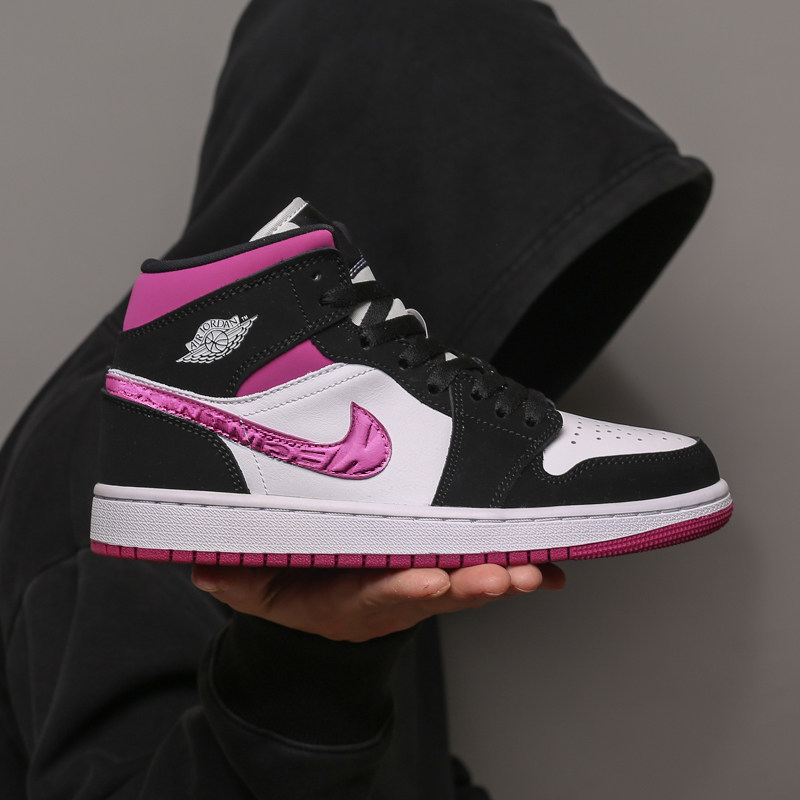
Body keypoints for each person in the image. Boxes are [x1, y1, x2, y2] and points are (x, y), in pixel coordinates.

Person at [0, 1, 713, 797]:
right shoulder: (116, 447)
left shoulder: (366, 463)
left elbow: (396, 771)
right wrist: (305, 660)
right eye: (490, 206)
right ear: (396, 167)